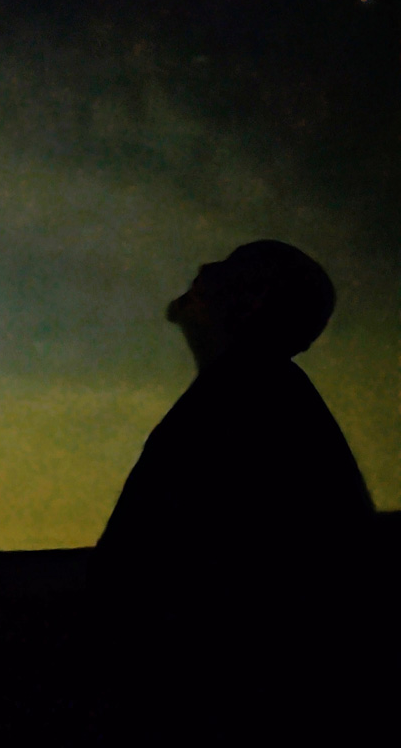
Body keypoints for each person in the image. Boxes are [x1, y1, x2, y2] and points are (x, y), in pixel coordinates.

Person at [89, 240, 376, 740]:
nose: (203, 267)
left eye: (230, 267)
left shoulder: (242, 403)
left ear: (255, 298)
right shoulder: (263, 397)